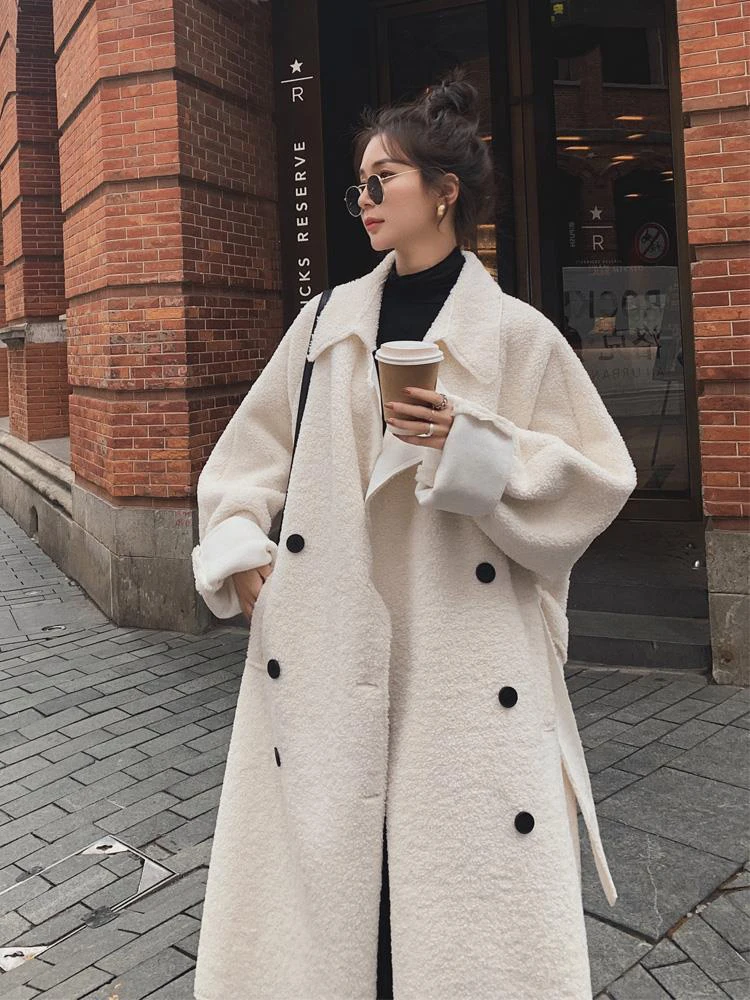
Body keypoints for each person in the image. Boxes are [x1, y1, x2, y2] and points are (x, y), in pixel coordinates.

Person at [190, 68, 637, 1000]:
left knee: (448, 890)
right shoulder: (324, 324)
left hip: (462, 654)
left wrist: (470, 447)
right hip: (330, 635)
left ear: (444, 192)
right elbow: (246, 457)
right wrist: (243, 558)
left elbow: (599, 480)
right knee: (339, 887)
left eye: (381, 178)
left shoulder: (515, 336)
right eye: (357, 183)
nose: (363, 199)